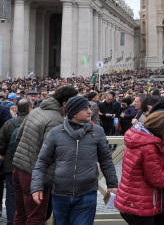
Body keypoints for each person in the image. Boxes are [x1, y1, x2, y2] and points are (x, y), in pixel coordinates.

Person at [31, 96, 118, 225]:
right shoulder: (55, 133)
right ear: (73, 112)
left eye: (89, 108)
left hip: (87, 193)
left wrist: (112, 184)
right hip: (60, 194)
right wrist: (36, 186)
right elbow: (42, 161)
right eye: (85, 109)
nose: (90, 111)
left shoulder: (98, 131)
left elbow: (106, 160)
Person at [12, 85, 78, 224]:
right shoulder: (56, 119)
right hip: (35, 175)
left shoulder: (36, 111)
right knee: (35, 217)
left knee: (21, 215)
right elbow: (52, 153)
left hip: (19, 169)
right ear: (65, 103)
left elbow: (19, 136)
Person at [115, 111, 164, 225]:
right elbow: (158, 179)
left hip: (131, 199)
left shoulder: (139, 138)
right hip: (140, 204)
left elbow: (149, 165)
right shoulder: (149, 147)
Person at [0, 99, 31, 225]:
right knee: (29, 194)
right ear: (30, 108)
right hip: (29, 166)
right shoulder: (34, 122)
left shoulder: (9, 124)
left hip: (10, 166)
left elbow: (1, 145)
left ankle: (12, 221)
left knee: (12, 196)